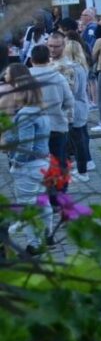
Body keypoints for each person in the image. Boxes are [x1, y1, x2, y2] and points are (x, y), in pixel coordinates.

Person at [1, 65, 52, 251]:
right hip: (42, 162)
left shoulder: (26, 114)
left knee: (27, 207)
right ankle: (47, 234)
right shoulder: (40, 111)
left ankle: (34, 243)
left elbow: (26, 145)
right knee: (42, 201)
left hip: (29, 166)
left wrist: (16, 163)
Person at [29, 44, 74, 188]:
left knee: (36, 163)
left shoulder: (25, 78)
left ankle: (39, 196)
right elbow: (69, 101)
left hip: (33, 128)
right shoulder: (58, 77)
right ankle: (59, 197)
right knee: (59, 161)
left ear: (31, 59)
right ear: (48, 59)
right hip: (56, 125)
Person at [62, 38, 92, 182]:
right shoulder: (82, 66)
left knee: (77, 140)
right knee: (80, 137)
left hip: (75, 107)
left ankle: (83, 170)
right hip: (82, 104)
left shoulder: (72, 69)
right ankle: (84, 166)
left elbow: (72, 90)